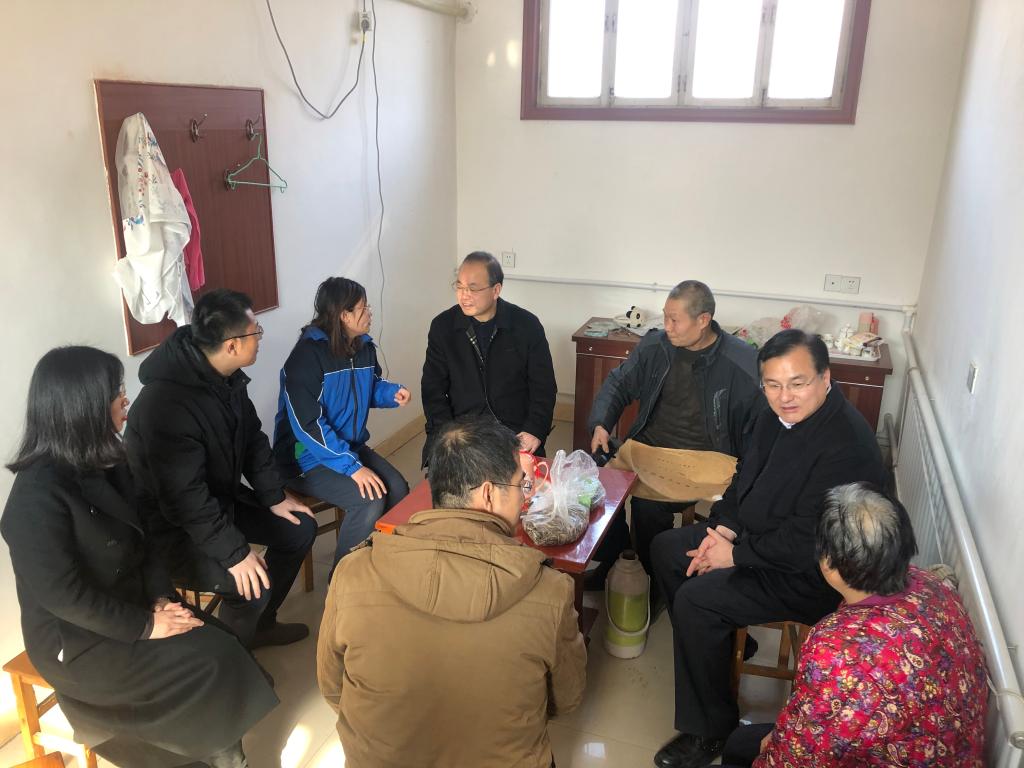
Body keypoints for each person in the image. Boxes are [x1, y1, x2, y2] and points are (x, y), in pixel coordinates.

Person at [2, 346, 277, 768]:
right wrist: (147, 626)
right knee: (209, 663)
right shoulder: (34, 499)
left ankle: (218, 752)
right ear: (83, 406)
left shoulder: (110, 461)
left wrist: (161, 598)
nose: (125, 399)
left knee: (223, 645)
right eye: (116, 392)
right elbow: (65, 598)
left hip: (136, 602)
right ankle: (214, 757)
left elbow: (145, 541)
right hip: (77, 637)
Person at [649, 329, 887, 768]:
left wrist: (733, 556)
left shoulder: (846, 445)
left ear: (825, 378)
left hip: (812, 574)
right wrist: (723, 530)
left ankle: (711, 730)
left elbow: (808, 540)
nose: (785, 396)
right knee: (668, 549)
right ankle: (717, 647)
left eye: (797, 383)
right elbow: (745, 477)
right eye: (773, 385)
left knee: (697, 601)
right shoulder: (773, 414)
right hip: (757, 539)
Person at [317, 416, 586, 768]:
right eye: (521, 485)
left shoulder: (353, 572)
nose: (525, 497)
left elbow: (333, 687)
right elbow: (566, 699)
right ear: (488, 493)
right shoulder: (550, 592)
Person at [711, 483, 987, 768]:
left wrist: (769, 751)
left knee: (741, 750)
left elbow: (797, 757)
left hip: (892, 751)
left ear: (828, 563)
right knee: (742, 743)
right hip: (944, 750)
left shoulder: (836, 651)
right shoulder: (931, 585)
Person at [126, 289, 316, 650]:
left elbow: (252, 438)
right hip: (172, 529)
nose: (260, 338)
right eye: (256, 331)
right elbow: (184, 498)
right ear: (231, 345)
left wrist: (274, 497)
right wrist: (235, 553)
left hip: (218, 503)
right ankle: (235, 660)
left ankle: (261, 626)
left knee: (298, 528)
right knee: (250, 585)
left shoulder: (225, 376)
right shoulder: (164, 406)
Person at [586, 280, 760, 588]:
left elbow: (758, 428)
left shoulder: (740, 362)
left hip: (708, 459)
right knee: (592, 481)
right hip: (651, 449)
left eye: (675, 320)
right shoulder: (656, 346)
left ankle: (652, 580)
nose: (667, 327)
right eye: (665, 317)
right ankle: (618, 557)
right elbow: (619, 383)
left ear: (703, 320)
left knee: (647, 508)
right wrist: (601, 423)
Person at [273, 277, 411, 566]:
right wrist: (353, 468)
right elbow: (309, 425)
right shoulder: (306, 358)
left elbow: (369, 387)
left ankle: (378, 564)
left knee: (398, 490)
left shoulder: (362, 347)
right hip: (305, 458)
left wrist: (390, 393)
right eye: (363, 308)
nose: (369, 313)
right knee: (368, 500)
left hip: (348, 448)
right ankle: (341, 581)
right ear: (344, 315)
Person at [421, 251, 557, 465]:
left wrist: (534, 430)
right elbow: (432, 390)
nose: (464, 295)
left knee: (524, 483)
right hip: (462, 433)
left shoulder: (527, 325)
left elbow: (544, 386)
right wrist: (449, 436)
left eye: (473, 288)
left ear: (496, 290)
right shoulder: (443, 327)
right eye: (459, 287)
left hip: (514, 432)